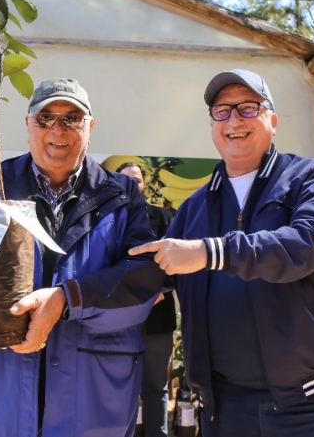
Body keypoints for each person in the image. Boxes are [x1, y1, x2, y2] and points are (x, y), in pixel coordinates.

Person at [0, 78, 164, 437]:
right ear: (27, 125)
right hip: (0, 405)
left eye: (72, 119)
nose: (58, 129)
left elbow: (145, 277)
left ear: (90, 127)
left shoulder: (121, 196)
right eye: (45, 118)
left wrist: (67, 299)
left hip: (95, 412)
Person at [130, 69, 314, 437]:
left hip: (313, 405)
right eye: (222, 112)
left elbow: (308, 242)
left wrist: (211, 252)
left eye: (247, 108)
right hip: (226, 409)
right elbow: (149, 276)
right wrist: (68, 294)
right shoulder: (193, 209)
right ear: (212, 127)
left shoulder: (310, 178)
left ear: (272, 120)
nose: (234, 120)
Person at [117, 162, 175, 437]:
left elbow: (179, 266)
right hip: (115, 321)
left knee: (155, 387)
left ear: (144, 185)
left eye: (137, 180)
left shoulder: (165, 219)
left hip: (157, 318)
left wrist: (157, 293)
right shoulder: (104, 222)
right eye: (126, 180)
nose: (133, 185)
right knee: (115, 387)